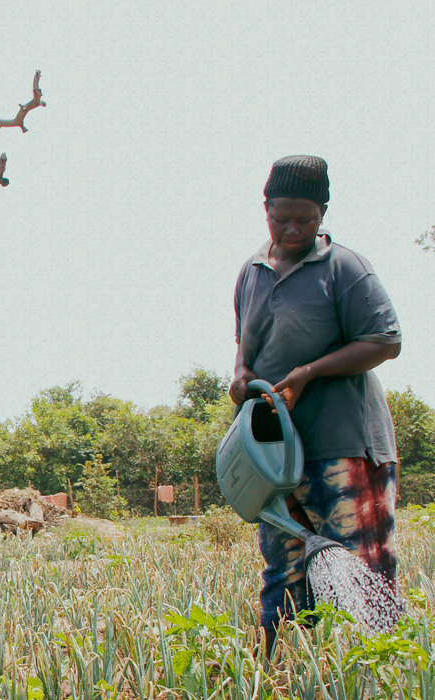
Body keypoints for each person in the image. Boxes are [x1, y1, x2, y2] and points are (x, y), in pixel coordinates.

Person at [231, 155, 401, 652]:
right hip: (277, 454)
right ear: (265, 208)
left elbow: (386, 341)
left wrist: (310, 372)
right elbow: (245, 339)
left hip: (344, 446)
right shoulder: (252, 271)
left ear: (322, 214)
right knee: (284, 572)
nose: (290, 229)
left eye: (303, 220)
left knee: (361, 569)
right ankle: (285, 674)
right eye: (280, 218)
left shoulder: (344, 268)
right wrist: (241, 373)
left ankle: (373, 677)